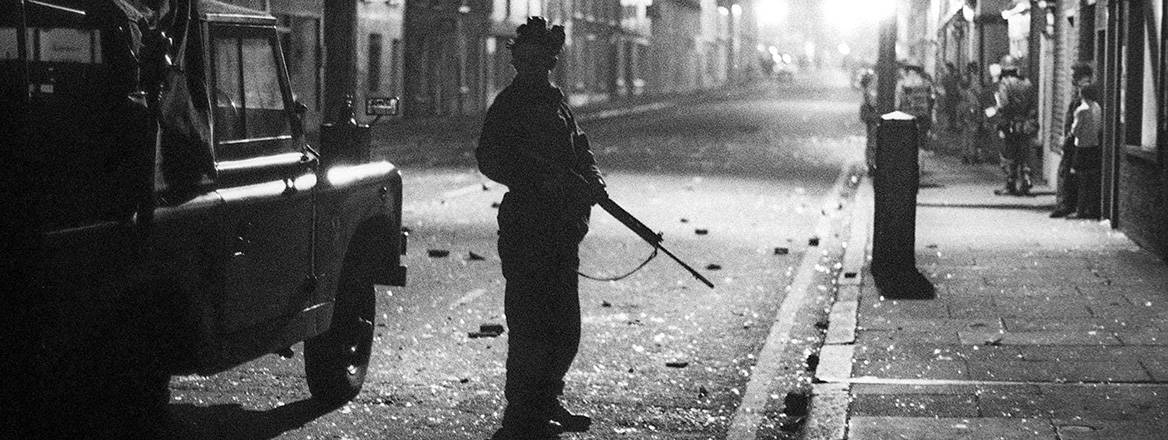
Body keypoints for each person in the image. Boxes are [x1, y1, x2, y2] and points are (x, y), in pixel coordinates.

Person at [476, 16, 604, 440]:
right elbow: (490, 158)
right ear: (520, 61)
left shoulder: (554, 101)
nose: (545, 64)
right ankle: (523, 414)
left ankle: (546, 399)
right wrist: (539, 178)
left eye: (549, 57)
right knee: (530, 325)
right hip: (528, 227)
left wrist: (591, 177)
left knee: (565, 328)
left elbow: (578, 145)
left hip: (561, 230)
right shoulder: (510, 105)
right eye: (536, 57)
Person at [1051, 62, 1095, 217]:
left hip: (1077, 142)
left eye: (1072, 74)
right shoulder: (1083, 91)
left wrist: (1069, 137)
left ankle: (1066, 204)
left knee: (1066, 172)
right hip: (1079, 141)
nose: (1070, 77)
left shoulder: (1084, 92)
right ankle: (1069, 204)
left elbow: (1080, 118)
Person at [991, 64, 1037, 196]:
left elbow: (1004, 104)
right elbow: (1032, 105)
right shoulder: (1027, 83)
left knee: (1009, 154)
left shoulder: (1005, 83)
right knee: (1024, 153)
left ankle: (1010, 184)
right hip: (1026, 123)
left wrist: (1000, 113)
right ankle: (1026, 182)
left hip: (1010, 123)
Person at [1069, 84, 1103, 219]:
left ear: (1081, 94)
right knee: (1092, 180)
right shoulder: (1097, 108)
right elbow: (1099, 127)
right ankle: (1091, 208)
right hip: (1094, 146)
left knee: (1081, 181)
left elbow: (1075, 130)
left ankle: (1081, 210)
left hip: (1082, 147)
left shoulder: (1081, 110)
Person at [894, 62, 936, 151]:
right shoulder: (925, 83)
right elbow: (932, 98)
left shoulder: (903, 83)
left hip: (915, 114)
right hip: (916, 114)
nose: (912, 73)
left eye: (914, 71)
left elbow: (932, 98)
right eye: (910, 71)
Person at [858, 69, 880, 173]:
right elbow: (872, 101)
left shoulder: (873, 81)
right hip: (873, 115)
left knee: (872, 139)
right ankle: (872, 164)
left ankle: (872, 163)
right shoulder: (874, 82)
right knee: (873, 140)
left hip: (873, 115)